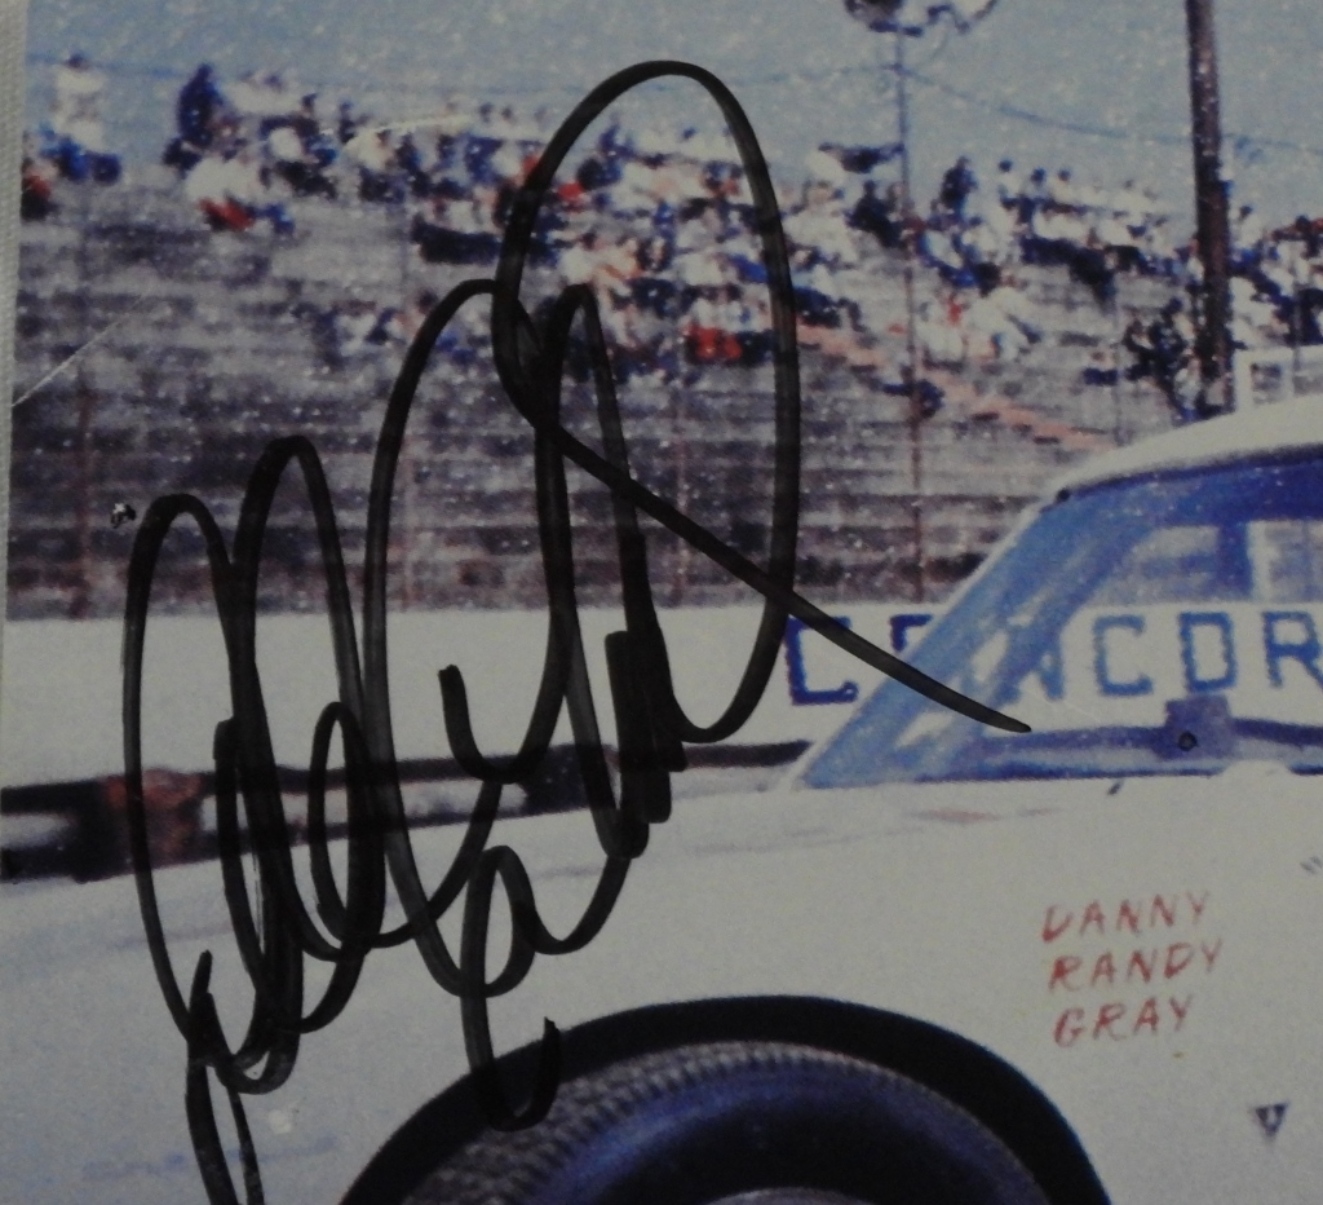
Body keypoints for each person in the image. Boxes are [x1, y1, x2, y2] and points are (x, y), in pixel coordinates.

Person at [938, 155, 976, 221]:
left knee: (959, 212)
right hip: (949, 196)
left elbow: (974, 185)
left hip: (961, 197)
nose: (963, 165)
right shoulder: (951, 173)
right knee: (948, 213)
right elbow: (944, 184)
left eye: (964, 163)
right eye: (961, 163)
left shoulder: (968, 174)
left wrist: (969, 188)